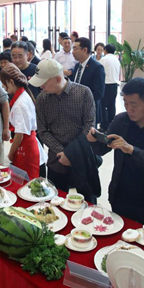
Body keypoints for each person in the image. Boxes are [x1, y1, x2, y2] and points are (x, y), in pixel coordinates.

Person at [87, 78, 144, 233]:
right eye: (125, 102)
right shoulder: (122, 120)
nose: (129, 109)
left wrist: (130, 149)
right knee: (121, 239)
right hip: (122, 194)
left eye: (134, 104)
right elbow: (103, 149)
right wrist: (94, 140)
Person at [31, 60, 96, 197]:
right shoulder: (42, 99)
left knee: (87, 201)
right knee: (56, 199)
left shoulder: (83, 93)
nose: (41, 86)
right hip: (57, 159)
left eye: (44, 82)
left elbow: (89, 126)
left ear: (58, 79)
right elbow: (42, 131)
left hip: (82, 157)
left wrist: (71, 154)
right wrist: (62, 152)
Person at [0, 63, 46, 179]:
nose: (3, 87)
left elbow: (19, 135)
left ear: (11, 82)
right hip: (28, 143)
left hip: (26, 146)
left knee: (26, 183)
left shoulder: (20, 103)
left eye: (4, 83)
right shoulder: (24, 95)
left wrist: (11, 153)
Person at [71, 37, 105, 127]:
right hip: (74, 112)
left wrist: (80, 101)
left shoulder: (97, 68)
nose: (72, 52)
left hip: (89, 112)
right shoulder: (77, 66)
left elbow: (99, 93)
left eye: (75, 49)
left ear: (85, 49)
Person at [99, 43, 121, 130]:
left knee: (103, 105)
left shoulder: (104, 59)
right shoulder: (117, 60)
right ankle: (112, 124)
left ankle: (104, 125)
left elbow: (100, 72)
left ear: (105, 50)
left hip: (106, 85)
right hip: (115, 84)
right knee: (112, 105)